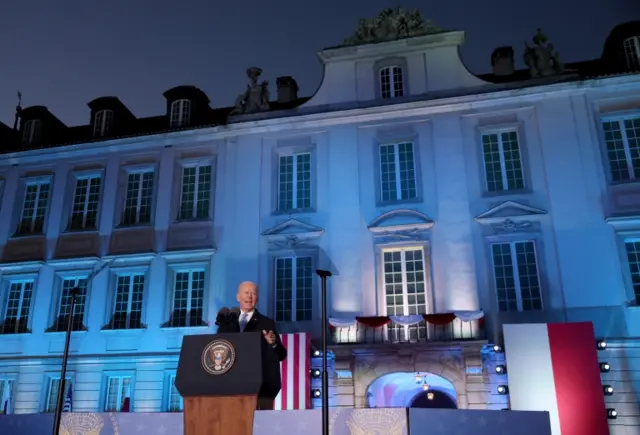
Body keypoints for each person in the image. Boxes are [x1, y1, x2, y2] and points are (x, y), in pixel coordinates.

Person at [217, 281, 287, 410]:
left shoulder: (266, 323)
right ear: (238, 297)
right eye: (246, 292)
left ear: (257, 298)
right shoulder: (227, 323)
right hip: (230, 385)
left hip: (260, 388)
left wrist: (273, 343)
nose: (249, 296)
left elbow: (282, 354)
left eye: (253, 293)